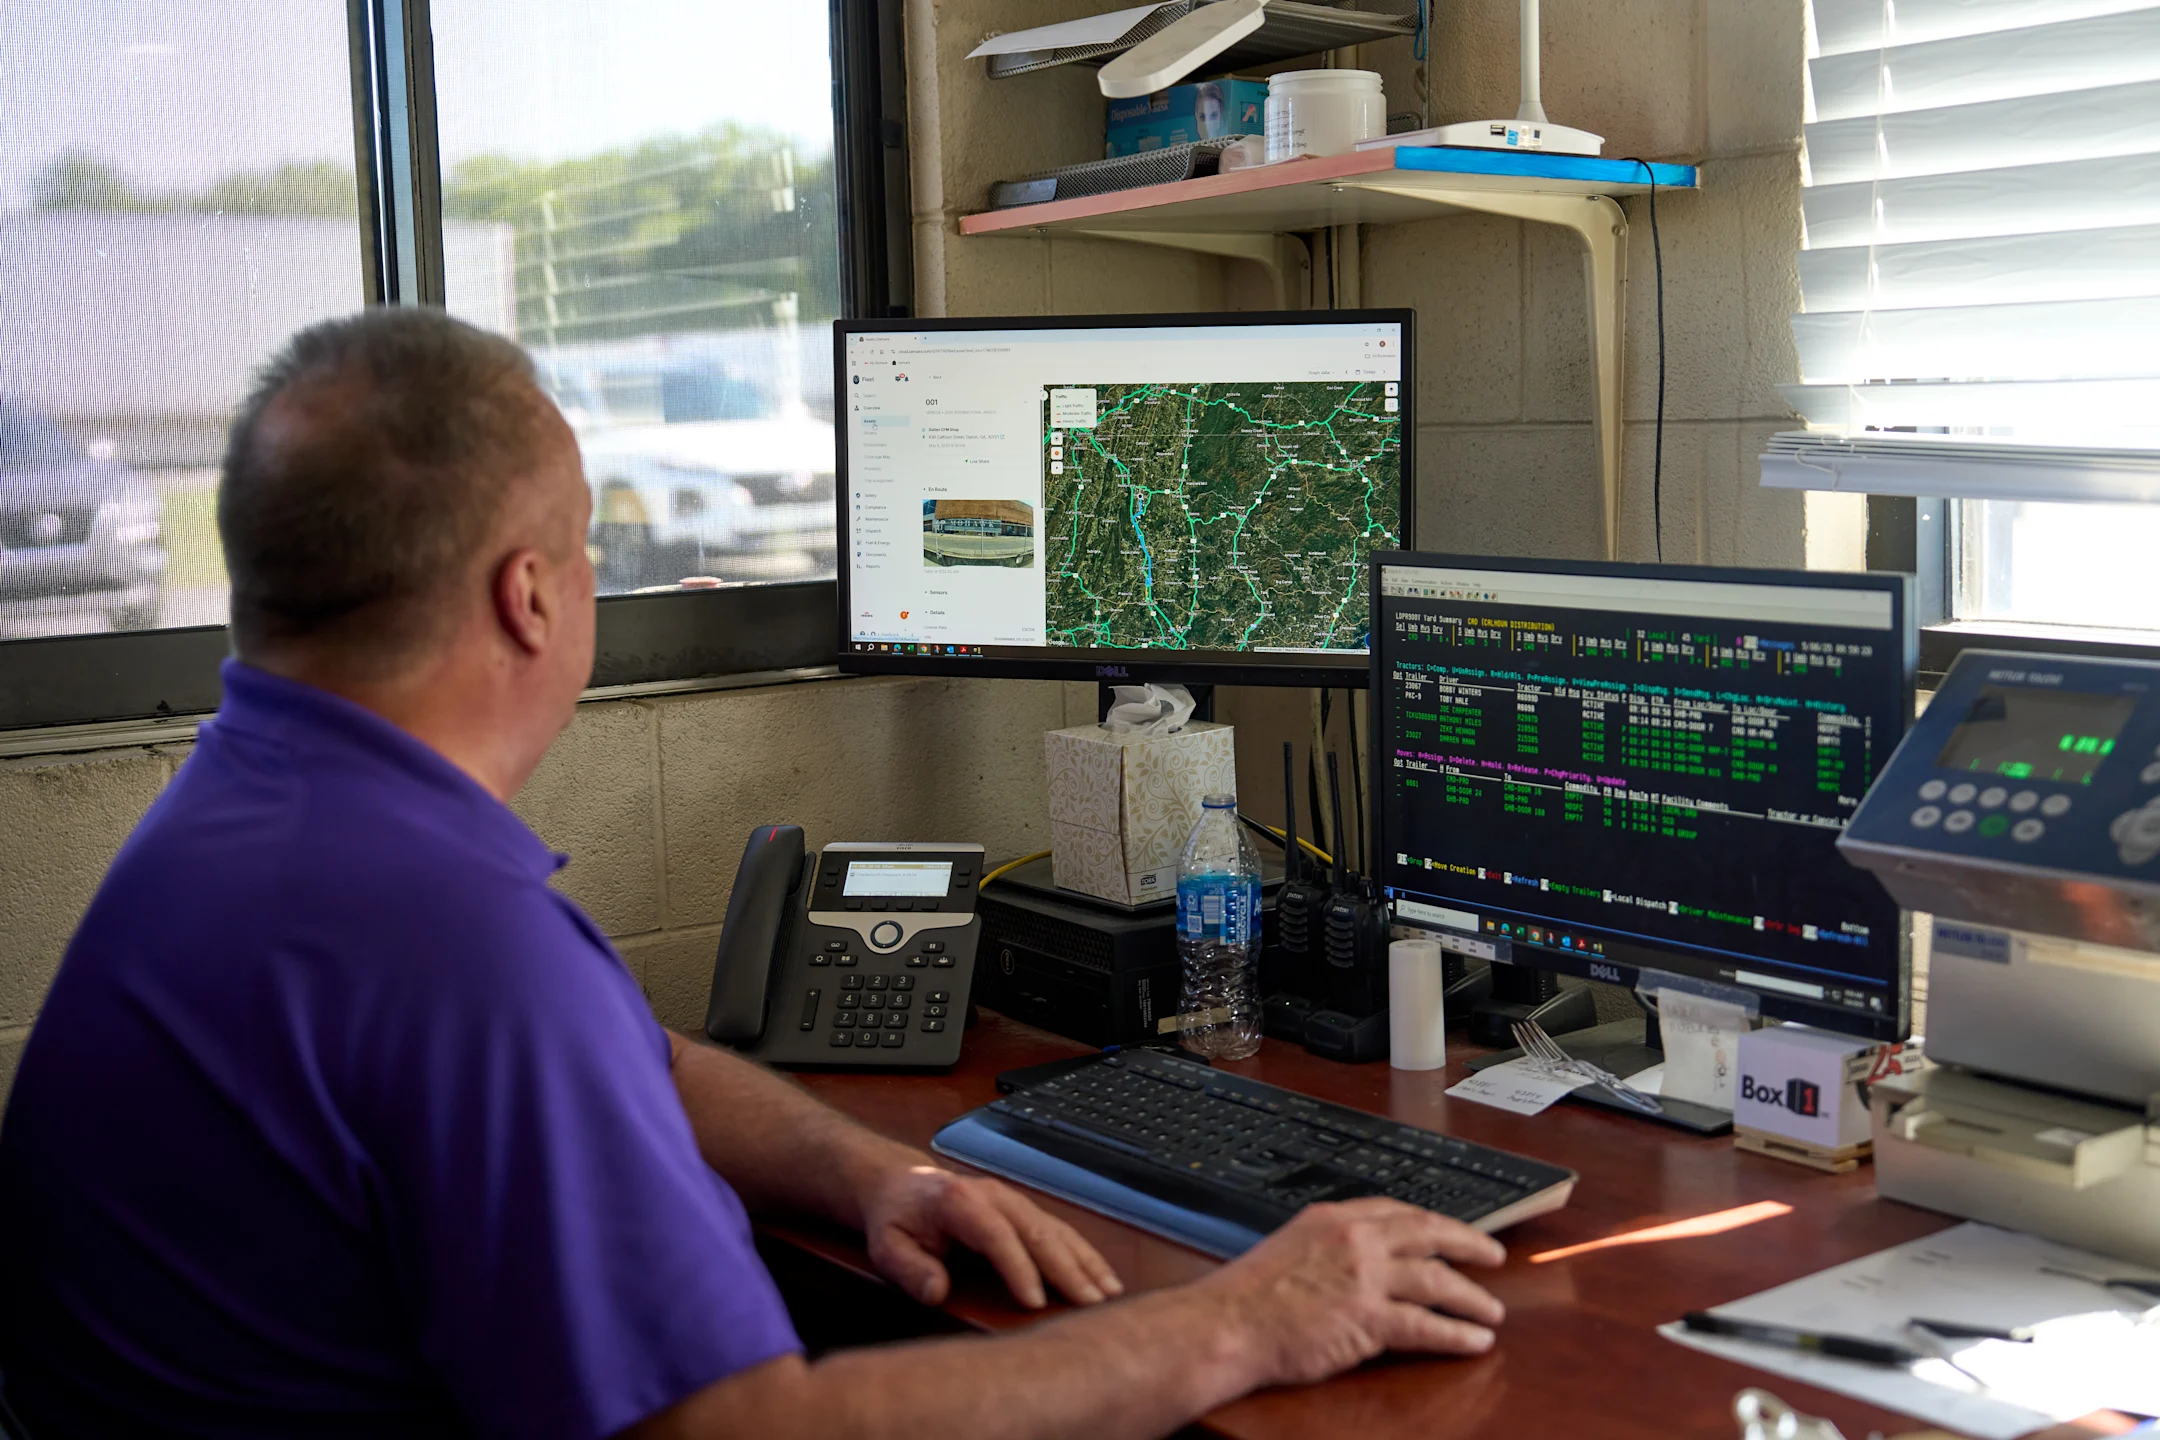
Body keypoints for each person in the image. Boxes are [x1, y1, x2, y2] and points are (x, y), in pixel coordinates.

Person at [0, 309, 1509, 1440]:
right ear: (530, 597)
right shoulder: (451, 945)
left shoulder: (252, 809)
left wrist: (870, 1172)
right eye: (589, 551)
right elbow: (737, 1431)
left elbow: (625, 1059)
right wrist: (1245, 1319)